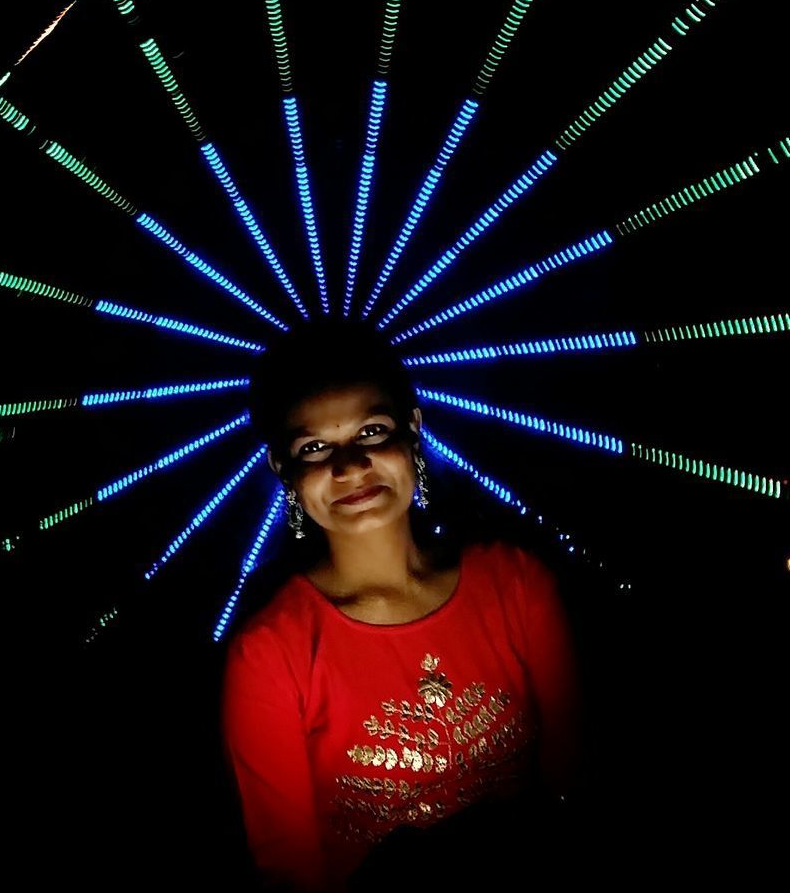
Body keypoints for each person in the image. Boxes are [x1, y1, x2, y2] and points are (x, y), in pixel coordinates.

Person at [219, 317, 586, 891]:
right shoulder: (270, 655)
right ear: (281, 469)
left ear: (413, 428)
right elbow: (292, 874)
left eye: (371, 431)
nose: (350, 467)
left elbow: (578, 779)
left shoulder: (517, 587)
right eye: (314, 447)